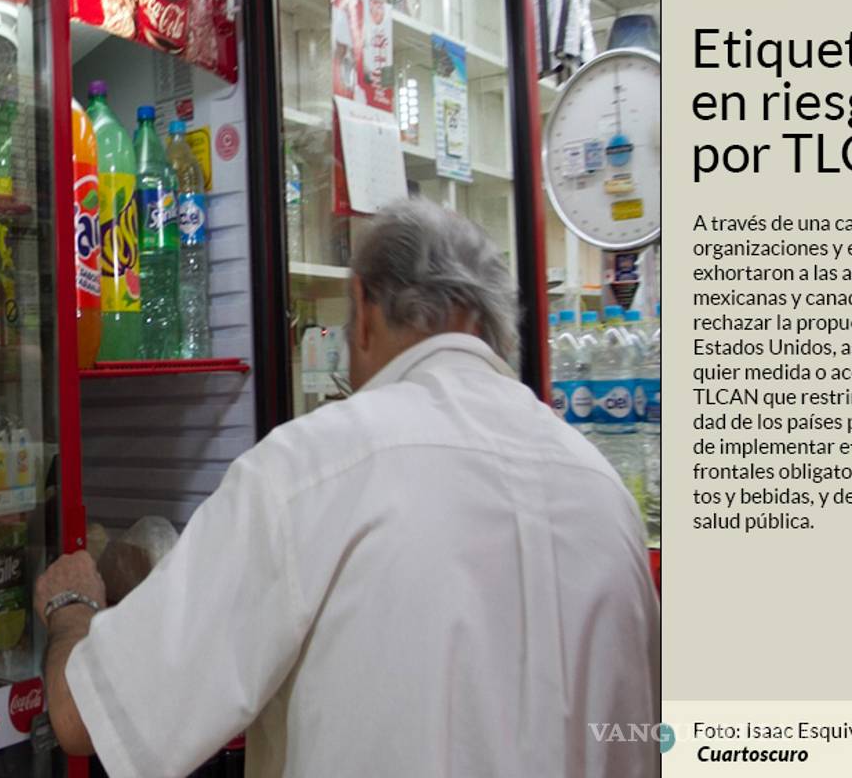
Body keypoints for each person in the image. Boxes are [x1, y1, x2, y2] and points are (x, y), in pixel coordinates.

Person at [34, 198, 660, 777]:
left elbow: (80, 714)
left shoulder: (315, 468)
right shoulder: (603, 490)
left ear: (362, 309)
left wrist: (72, 610)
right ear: (497, 324)